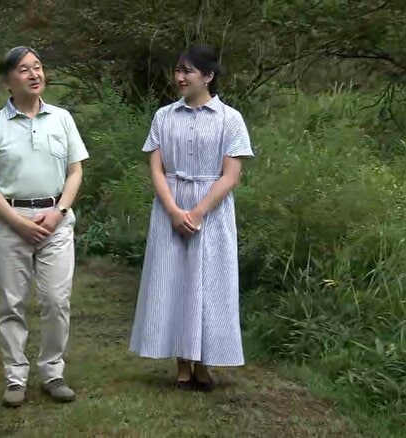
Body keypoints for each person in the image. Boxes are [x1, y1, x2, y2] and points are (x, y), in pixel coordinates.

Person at [129, 46, 254, 392]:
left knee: (208, 283)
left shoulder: (230, 119)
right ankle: (181, 364)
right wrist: (173, 210)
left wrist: (198, 212)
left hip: (211, 210)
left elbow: (231, 176)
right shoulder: (164, 116)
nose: (180, 77)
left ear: (208, 76)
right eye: (178, 70)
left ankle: (203, 362)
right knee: (172, 280)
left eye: (188, 71)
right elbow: (157, 168)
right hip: (169, 205)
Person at [0, 46, 89, 407]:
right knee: (12, 303)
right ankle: (15, 377)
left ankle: (53, 372)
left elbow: (75, 171)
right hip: (12, 224)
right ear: (8, 81)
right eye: (24, 69)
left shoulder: (62, 119)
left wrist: (59, 211)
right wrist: (17, 222)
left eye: (37, 67)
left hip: (56, 220)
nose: (34, 74)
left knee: (56, 300)